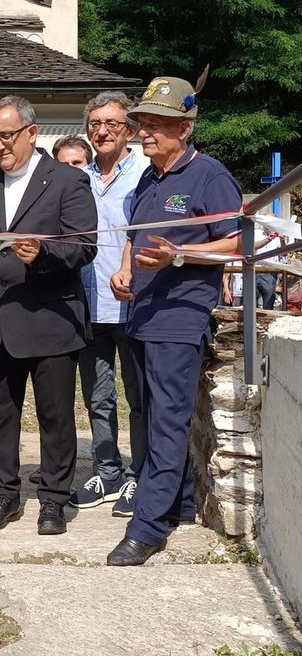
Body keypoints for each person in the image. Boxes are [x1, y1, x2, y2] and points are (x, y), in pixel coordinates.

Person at [107, 73, 243, 566]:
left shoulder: (210, 176)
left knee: (165, 422)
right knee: (149, 414)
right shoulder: (149, 177)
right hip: (142, 315)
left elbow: (240, 242)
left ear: (183, 129)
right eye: (143, 123)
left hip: (180, 320)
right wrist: (124, 270)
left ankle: (147, 527)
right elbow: (135, 235)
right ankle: (180, 503)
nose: (145, 132)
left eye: (157, 125)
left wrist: (180, 255)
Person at [0, 95, 97, 536]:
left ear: (31, 133)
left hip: (51, 321)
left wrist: (43, 254)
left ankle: (54, 499)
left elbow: (85, 244)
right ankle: (4, 493)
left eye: (6, 135)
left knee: (55, 416)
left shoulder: (67, 180)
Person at [66, 91, 149, 518]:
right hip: (89, 303)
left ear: (129, 130)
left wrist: (131, 266)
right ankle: (107, 469)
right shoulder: (79, 177)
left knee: (138, 395)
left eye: (112, 124)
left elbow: (147, 233)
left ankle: (140, 473)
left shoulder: (147, 174)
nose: (102, 131)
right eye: (95, 124)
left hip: (134, 303)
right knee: (98, 397)